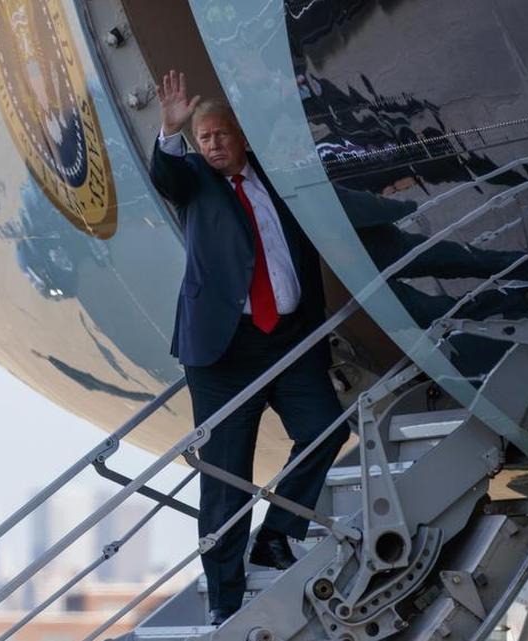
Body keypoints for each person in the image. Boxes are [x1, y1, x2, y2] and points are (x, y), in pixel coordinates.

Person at [149, 70, 349, 625]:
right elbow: (166, 175)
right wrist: (170, 131)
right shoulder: (192, 178)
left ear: (241, 137)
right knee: (226, 474)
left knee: (327, 428)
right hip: (223, 353)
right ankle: (224, 599)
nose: (211, 145)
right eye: (203, 137)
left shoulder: (272, 177)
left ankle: (278, 533)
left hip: (288, 341)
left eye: (219, 135)